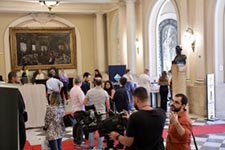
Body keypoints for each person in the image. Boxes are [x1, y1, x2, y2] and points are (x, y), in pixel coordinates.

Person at [83, 77, 110, 150]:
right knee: (101, 131)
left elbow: (84, 103)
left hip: (92, 113)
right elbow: (108, 105)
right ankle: (99, 147)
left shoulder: (89, 92)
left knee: (91, 130)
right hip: (102, 113)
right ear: (101, 83)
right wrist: (108, 113)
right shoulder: (104, 92)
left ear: (94, 83)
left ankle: (91, 145)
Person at [8, 71, 28, 150]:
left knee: (22, 136)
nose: (19, 78)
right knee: (21, 137)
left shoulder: (14, 88)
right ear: (13, 78)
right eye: (18, 77)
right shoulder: (10, 89)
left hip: (20, 115)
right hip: (16, 117)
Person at [70, 77, 85, 146]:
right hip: (79, 109)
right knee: (80, 126)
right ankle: (79, 141)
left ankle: (75, 139)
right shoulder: (79, 90)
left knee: (76, 125)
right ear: (80, 83)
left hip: (74, 109)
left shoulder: (72, 89)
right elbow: (82, 101)